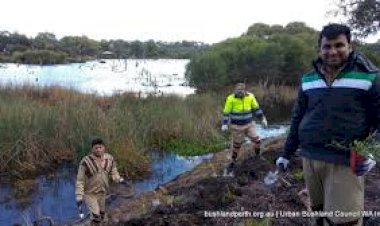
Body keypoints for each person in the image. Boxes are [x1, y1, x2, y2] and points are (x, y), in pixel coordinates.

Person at [276, 23, 378, 226]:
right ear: (320, 49)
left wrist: (372, 152)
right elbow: (297, 117)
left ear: (350, 45)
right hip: (310, 158)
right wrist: (286, 154)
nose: (333, 51)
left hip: (345, 161)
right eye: (327, 46)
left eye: (339, 45)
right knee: (319, 214)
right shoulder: (308, 79)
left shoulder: (370, 76)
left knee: (344, 220)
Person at [75, 138, 126, 225]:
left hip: (102, 192)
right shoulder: (85, 161)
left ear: (104, 148)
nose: (98, 149)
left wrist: (118, 179)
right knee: (96, 216)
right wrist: (79, 196)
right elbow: (80, 180)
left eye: (100, 147)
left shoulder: (109, 158)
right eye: (96, 148)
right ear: (92, 149)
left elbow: (113, 171)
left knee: (102, 214)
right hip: (90, 194)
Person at [222, 82, 268, 166]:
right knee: (237, 145)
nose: (239, 92)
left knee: (257, 141)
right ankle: (233, 160)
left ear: (245, 90)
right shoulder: (230, 98)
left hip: (249, 124)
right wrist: (224, 124)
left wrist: (263, 119)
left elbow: (256, 109)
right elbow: (226, 112)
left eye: (241, 90)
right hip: (236, 126)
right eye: (238, 90)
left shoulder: (250, 96)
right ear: (235, 90)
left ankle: (257, 155)